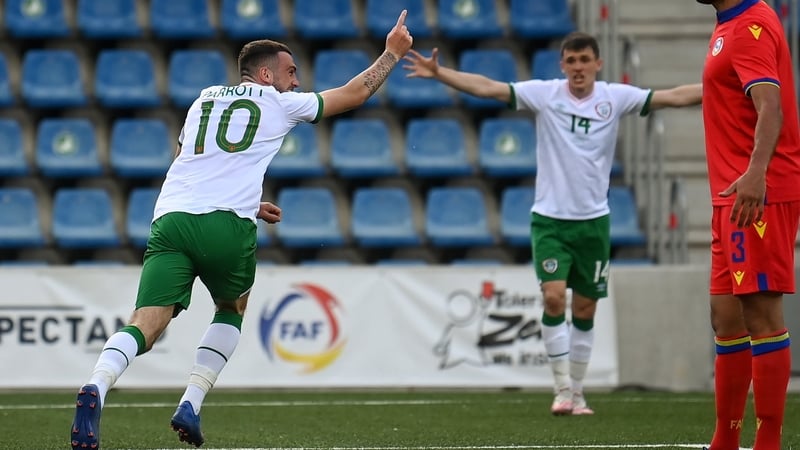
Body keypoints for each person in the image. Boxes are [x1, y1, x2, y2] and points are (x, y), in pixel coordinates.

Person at [69, 10, 413, 450]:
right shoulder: (278, 101)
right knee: (232, 307)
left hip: (170, 218)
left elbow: (186, 157)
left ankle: (97, 384)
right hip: (226, 223)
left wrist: (250, 199)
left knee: (145, 324)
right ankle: (191, 402)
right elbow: (354, 94)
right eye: (290, 72)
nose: (295, 80)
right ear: (265, 74)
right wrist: (390, 54)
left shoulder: (203, 99)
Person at [403, 32, 702, 416]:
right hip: (550, 220)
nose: (578, 68)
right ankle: (562, 389)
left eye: (584, 61)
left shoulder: (615, 97)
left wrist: (723, 85)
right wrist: (441, 73)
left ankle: (578, 392)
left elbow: (673, 96)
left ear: (598, 64)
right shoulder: (546, 94)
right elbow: (491, 88)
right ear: (562, 65)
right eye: (571, 61)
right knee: (554, 297)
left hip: (594, 223)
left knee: (585, 310)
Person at [696, 1, 800, 449]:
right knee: (725, 317)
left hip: (755, 192)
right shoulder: (732, 22)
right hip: (730, 195)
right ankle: (727, 438)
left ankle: (769, 441)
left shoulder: (750, 25)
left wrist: (757, 173)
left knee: (760, 313)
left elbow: (770, 105)